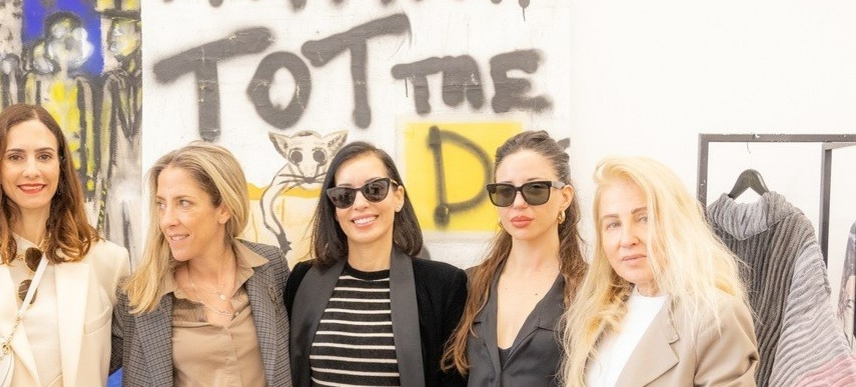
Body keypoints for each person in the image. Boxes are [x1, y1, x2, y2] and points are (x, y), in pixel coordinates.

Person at [0, 103, 129, 387]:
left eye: (44, 156)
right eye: (15, 157)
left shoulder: (108, 261)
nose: (32, 170)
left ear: (61, 166)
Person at [562, 156, 758, 387]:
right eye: (613, 224)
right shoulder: (599, 313)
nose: (627, 239)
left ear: (678, 224)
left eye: (644, 219)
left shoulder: (716, 316)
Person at [286, 141, 468, 387]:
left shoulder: (444, 285)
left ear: (398, 197)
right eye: (344, 195)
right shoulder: (303, 280)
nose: (360, 204)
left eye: (374, 189)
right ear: (334, 209)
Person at [116, 141, 291, 386]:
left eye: (183, 203)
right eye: (161, 204)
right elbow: (83, 361)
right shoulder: (138, 294)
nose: (166, 220)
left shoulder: (271, 267)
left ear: (224, 209)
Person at [443, 130, 587, 386]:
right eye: (505, 191)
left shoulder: (590, 288)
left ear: (564, 197)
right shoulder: (469, 284)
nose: (518, 203)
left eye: (535, 189)